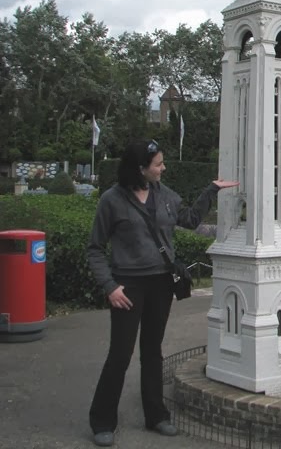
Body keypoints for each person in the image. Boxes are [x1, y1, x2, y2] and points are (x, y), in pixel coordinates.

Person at [86, 139, 238, 447]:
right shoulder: (111, 201)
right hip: (127, 286)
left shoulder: (166, 196)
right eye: (158, 164)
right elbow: (95, 249)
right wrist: (110, 286)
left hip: (160, 284)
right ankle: (102, 420)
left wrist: (211, 190)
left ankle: (156, 415)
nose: (163, 167)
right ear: (140, 169)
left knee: (153, 352)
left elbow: (191, 220)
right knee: (120, 354)